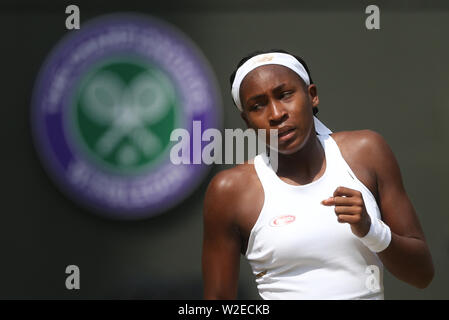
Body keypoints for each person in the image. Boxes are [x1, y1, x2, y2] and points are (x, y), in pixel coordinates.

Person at [202, 49, 434, 299]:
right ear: (247, 122)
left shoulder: (368, 152)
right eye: (258, 106)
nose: (276, 114)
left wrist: (370, 230)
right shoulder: (229, 190)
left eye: (285, 95)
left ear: (312, 96)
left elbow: (422, 274)